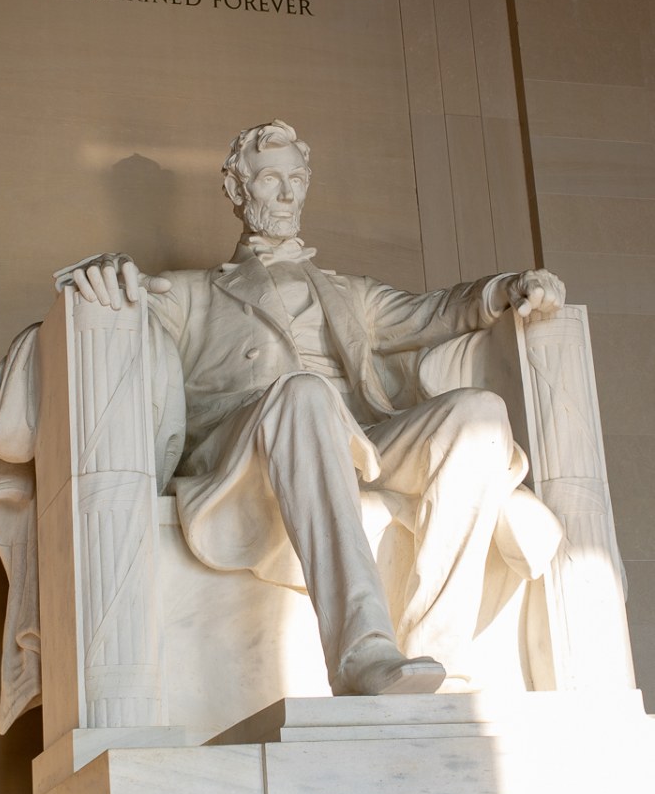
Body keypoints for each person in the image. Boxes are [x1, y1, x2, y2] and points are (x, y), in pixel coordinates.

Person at [58, 119, 565, 698]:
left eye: (296, 178)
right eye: (270, 179)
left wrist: (509, 288)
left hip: (358, 443)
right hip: (250, 449)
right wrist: (104, 273)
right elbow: (119, 302)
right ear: (235, 190)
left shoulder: (352, 292)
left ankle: (438, 658)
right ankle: (362, 650)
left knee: (478, 414)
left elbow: (438, 311)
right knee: (305, 392)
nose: (286, 194)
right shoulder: (192, 293)